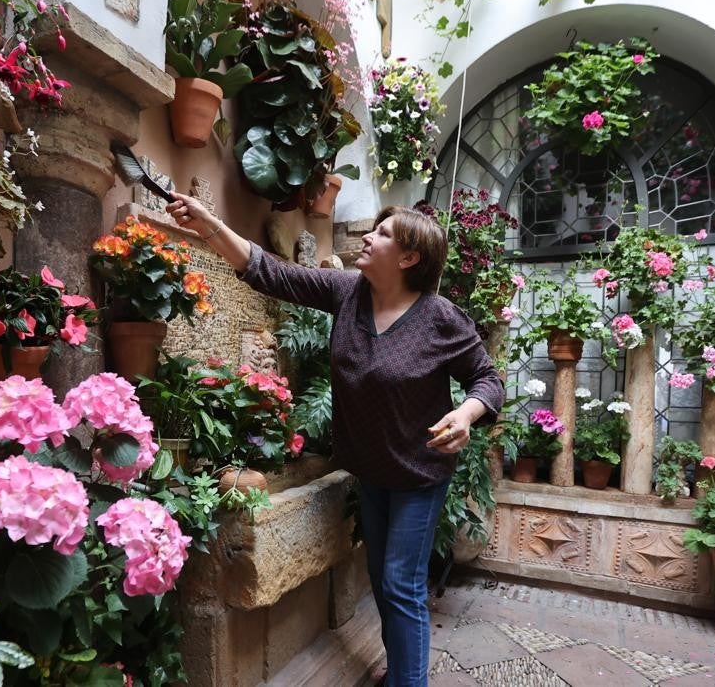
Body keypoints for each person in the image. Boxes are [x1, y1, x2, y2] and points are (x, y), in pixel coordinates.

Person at [165, 193, 503, 687]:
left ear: (409, 258)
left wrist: (466, 413)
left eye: (383, 234)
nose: (367, 236)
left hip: (418, 474)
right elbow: (268, 271)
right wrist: (209, 223)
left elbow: (488, 379)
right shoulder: (349, 293)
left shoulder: (440, 317)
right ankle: (403, 671)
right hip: (370, 470)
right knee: (388, 588)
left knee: (400, 585)